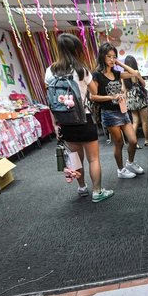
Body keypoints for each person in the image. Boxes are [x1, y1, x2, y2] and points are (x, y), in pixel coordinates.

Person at [45, 33, 113, 202]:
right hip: (84, 119)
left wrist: (56, 123)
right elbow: (94, 92)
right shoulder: (81, 70)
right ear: (76, 49)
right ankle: (97, 191)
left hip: (65, 122)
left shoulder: (50, 71)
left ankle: (82, 187)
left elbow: (51, 98)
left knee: (75, 158)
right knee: (93, 158)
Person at [89, 43, 144, 179]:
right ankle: (121, 170)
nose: (111, 59)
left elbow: (135, 73)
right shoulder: (97, 75)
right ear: (102, 56)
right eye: (109, 56)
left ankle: (130, 163)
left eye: (114, 56)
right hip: (109, 113)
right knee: (119, 142)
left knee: (133, 140)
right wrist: (111, 97)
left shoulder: (116, 73)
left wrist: (119, 63)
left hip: (122, 111)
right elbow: (93, 96)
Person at [123, 55, 148, 148]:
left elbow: (123, 89)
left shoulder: (123, 75)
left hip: (130, 99)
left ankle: (134, 143)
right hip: (139, 97)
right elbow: (143, 84)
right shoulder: (136, 72)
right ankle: (147, 140)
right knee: (144, 121)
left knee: (135, 121)